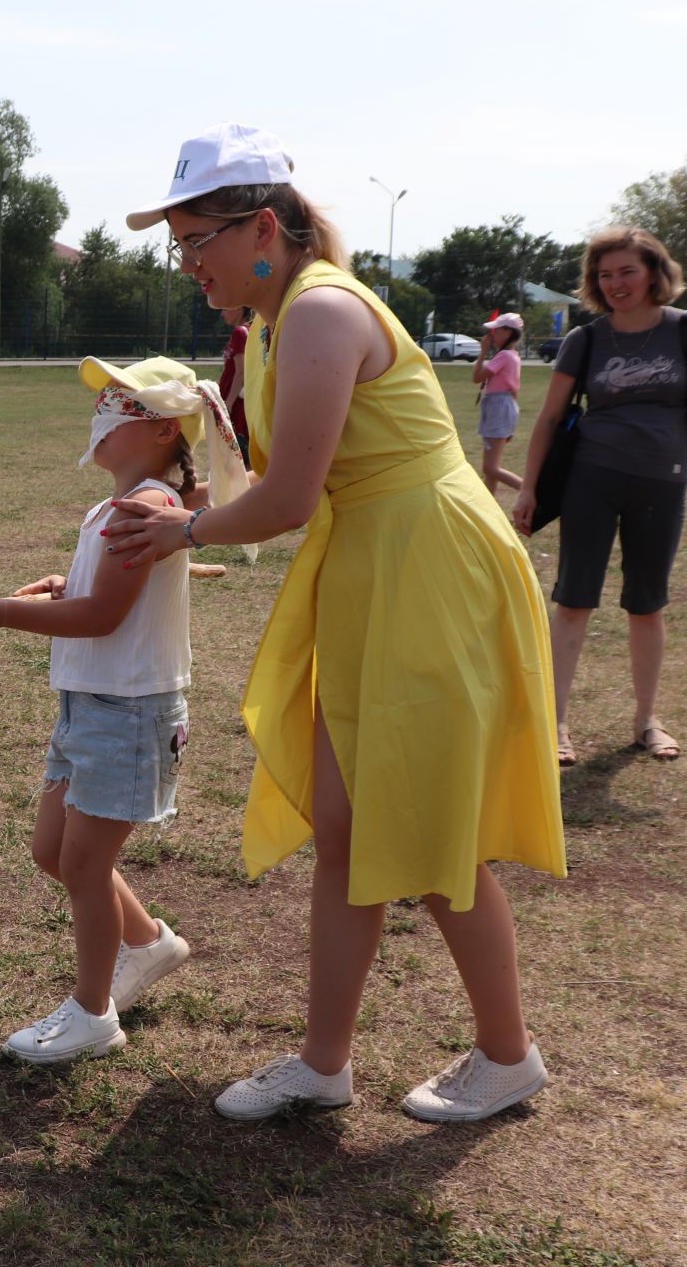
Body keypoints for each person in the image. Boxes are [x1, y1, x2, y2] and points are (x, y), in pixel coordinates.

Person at [104, 123, 566, 1123]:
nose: (189, 266)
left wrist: (184, 527)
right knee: (351, 830)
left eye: (197, 243)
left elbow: (289, 501)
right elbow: (279, 478)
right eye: (177, 247)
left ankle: (507, 1053)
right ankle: (324, 1060)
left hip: (426, 569)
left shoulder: (316, 310)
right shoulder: (273, 322)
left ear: (262, 225)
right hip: (372, 565)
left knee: (433, 826)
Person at [0, 355, 249, 1064]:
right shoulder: (117, 506)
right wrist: (65, 581)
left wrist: (5, 613)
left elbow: (105, 617)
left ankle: (93, 1015)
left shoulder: (149, 506)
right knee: (53, 853)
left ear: (161, 429)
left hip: (131, 712)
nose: (100, 414)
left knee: (84, 864)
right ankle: (147, 943)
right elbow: (105, 591)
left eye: (119, 402)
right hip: (88, 703)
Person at [513, 228, 687, 764]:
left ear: (655, 273)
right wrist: (529, 489)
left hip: (663, 480)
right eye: (604, 275)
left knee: (648, 603)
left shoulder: (686, 332)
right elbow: (547, 419)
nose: (615, 283)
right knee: (574, 600)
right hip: (592, 478)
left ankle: (645, 721)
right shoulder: (585, 340)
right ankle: (557, 723)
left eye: (627, 272)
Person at [471, 312, 525, 499]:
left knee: (490, 468)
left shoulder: (504, 357)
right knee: (491, 469)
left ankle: (530, 492)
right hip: (503, 406)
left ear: (508, 332)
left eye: (496, 330)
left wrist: (483, 353)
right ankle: (488, 508)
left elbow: (476, 378)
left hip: (498, 407)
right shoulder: (512, 355)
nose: (492, 334)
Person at [217, 305, 253, 468]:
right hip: (241, 400)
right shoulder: (251, 329)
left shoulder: (240, 332)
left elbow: (241, 372)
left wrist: (228, 404)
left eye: (225, 309)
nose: (222, 313)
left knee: (238, 455)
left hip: (236, 403)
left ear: (238, 309)